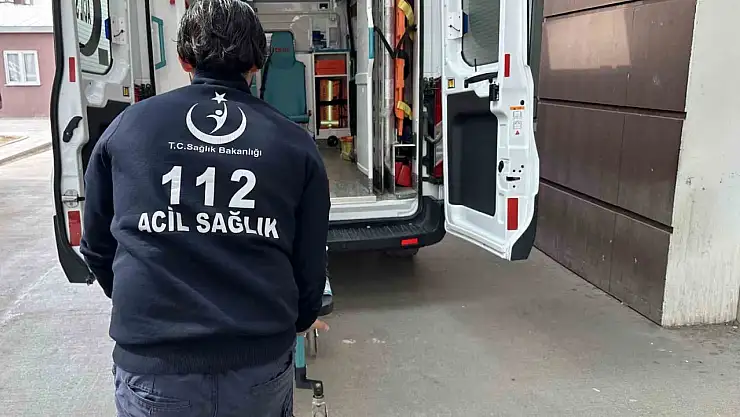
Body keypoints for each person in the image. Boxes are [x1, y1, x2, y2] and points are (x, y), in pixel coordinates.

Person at [79, 0, 330, 415]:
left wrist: (142, 308)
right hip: (258, 365)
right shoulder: (294, 144)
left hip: (155, 365)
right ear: (257, 64)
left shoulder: (129, 127)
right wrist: (301, 319)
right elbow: (309, 262)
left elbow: (97, 247)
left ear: (183, 59)